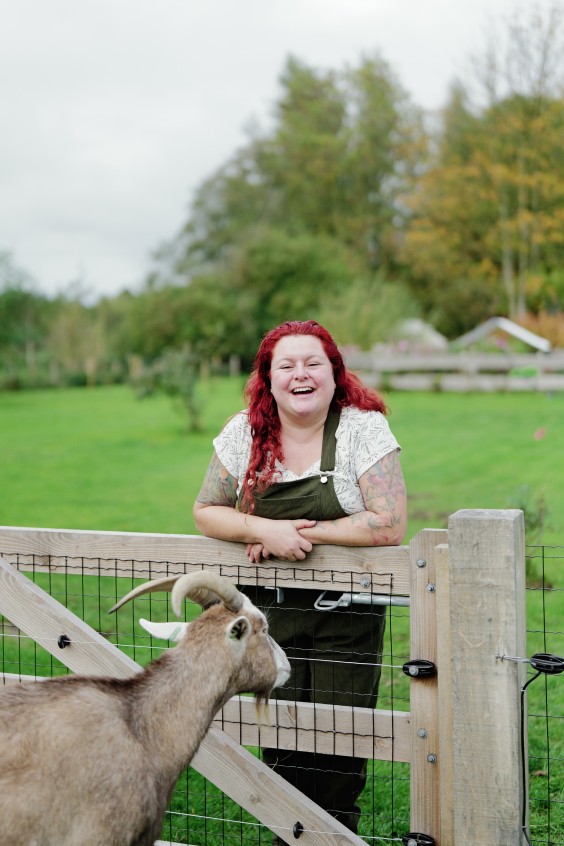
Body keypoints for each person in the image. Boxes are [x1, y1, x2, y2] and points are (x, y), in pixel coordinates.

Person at [194, 320, 407, 840]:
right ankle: (287, 834)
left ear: (334, 372)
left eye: (313, 363)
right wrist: (263, 527)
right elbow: (206, 510)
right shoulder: (244, 432)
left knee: (339, 742)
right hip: (270, 616)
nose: (300, 375)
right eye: (285, 365)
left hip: (347, 616)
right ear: (268, 378)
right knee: (281, 739)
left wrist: (299, 536)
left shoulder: (362, 428)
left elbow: (390, 522)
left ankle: (335, 835)